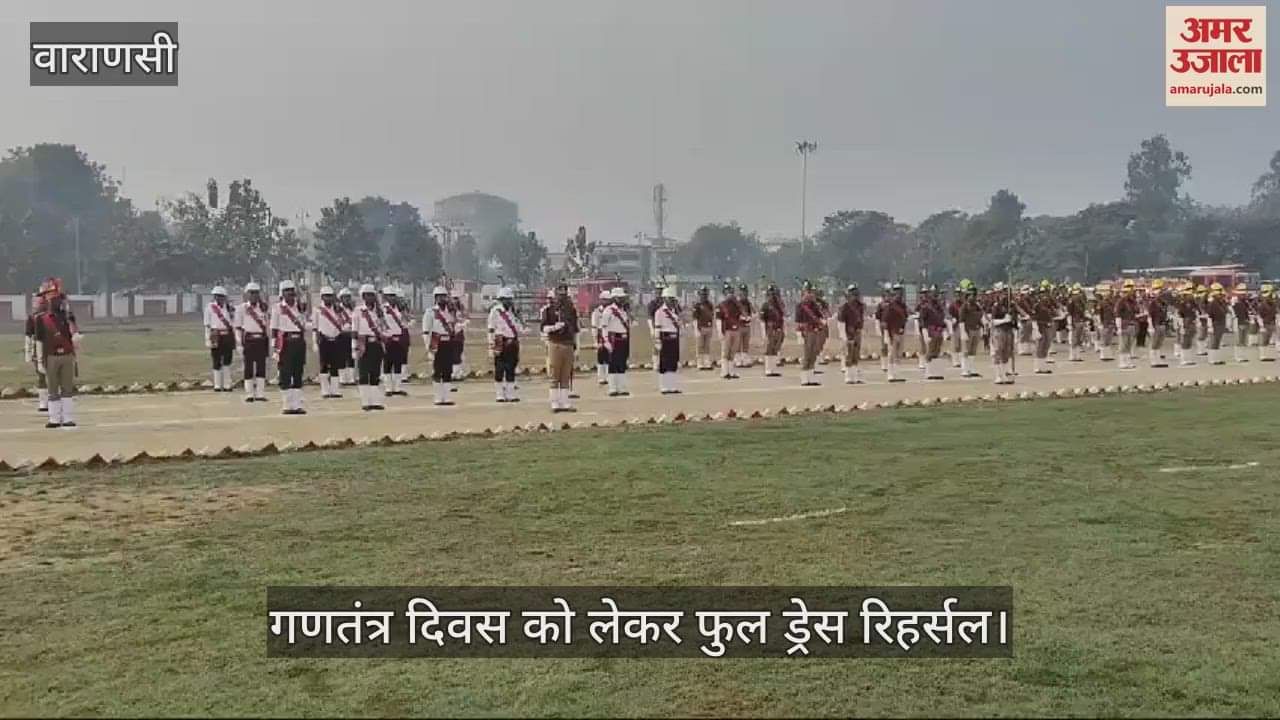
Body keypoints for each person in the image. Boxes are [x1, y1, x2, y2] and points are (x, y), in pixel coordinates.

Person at [32, 278, 82, 428]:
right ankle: (54, 418)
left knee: (67, 388)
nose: (53, 299)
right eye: (50, 296)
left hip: (67, 355)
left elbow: (75, 336)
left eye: (55, 296)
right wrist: (40, 361)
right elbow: (39, 341)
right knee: (52, 388)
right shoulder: (41, 319)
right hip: (51, 356)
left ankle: (67, 417)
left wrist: (76, 351)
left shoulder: (67, 317)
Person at [269, 280, 309, 415]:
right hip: (285, 342)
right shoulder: (277, 308)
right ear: (282, 293)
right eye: (287, 291)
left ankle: (297, 405)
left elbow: (306, 314)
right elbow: (274, 328)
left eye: (292, 290)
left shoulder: (300, 307)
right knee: (285, 372)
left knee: (298, 372)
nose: (290, 293)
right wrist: (274, 346)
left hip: (299, 341)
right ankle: (287, 404)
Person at [540, 282, 580, 412]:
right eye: (560, 292)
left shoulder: (571, 310)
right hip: (555, 343)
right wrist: (554, 327)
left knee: (566, 375)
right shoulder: (548, 310)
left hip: (568, 344)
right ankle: (555, 402)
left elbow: (575, 330)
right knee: (554, 374)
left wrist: (577, 347)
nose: (562, 295)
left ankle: (565, 402)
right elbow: (543, 328)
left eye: (564, 292)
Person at [352, 284, 388, 411]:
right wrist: (354, 347)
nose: (370, 297)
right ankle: (365, 402)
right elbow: (354, 331)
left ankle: (375, 401)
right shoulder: (358, 311)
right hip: (363, 343)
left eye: (372, 295)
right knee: (363, 374)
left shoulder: (380, 312)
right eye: (367, 295)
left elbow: (384, 328)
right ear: (363, 297)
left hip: (376, 344)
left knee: (375, 373)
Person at [487, 287, 524, 403]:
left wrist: (519, 318)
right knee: (499, 369)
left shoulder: (513, 312)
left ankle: (510, 394)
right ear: (501, 300)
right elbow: (491, 329)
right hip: (500, 341)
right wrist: (491, 345)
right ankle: (499, 394)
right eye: (506, 299)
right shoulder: (495, 311)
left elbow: (519, 327)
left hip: (512, 342)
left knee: (511, 368)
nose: (509, 301)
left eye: (510, 299)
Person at [422, 286, 458, 406]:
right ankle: (438, 397)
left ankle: (447, 397)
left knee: (448, 371)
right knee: (437, 370)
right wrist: (428, 348)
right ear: (435, 298)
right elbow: (426, 330)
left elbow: (454, 327)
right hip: (436, 343)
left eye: (444, 296)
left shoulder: (451, 312)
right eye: (439, 297)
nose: (442, 299)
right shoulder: (430, 312)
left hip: (448, 343)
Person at [235, 282, 270, 402]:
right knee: (248, 367)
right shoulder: (241, 308)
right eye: (251, 293)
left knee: (261, 367)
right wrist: (239, 343)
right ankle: (249, 394)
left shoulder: (264, 308)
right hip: (249, 340)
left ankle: (260, 393)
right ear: (247, 294)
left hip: (261, 339)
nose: (254, 295)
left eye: (256, 293)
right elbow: (238, 327)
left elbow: (267, 325)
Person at [312, 287, 345, 398]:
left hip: (336, 339)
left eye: (330, 296)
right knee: (324, 365)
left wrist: (340, 311)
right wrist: (314, 342)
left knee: (335, 365)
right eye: (326, 296)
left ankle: (335, 390)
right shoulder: (317, 310)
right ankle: (325, 390)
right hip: (324, 339)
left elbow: (342, 323)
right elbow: (315, 327)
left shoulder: (338, 309)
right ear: (322, 297)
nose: (329, 298)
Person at [203, 286, 237, 392]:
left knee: (227, 360)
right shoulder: (209, 307)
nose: (219, 298)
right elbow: (207, 324)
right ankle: (217, 384)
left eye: (221, 296)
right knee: (216, 360)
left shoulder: (229, 308)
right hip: (215, 334)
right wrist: (208, 339)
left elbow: (234, 322)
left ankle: (227, 384)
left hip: (227, 335)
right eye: (217, 296)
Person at [380, 286, 411, 396]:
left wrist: (405, 312)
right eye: (389, 296)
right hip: (388, 338)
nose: (392, 298)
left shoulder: (399, 308)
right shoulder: (381, 309)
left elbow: (407, 320)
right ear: (385, 297)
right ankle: (388, 388)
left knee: (398, 363)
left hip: (399, 338)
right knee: (387, 364)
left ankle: (397, 388)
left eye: (393, 296)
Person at [602, 287, 632, 396]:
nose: (622, 300)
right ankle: (612, 388)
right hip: (614, 338)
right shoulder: (608, 310)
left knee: (622, 363)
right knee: (613, 364)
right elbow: (604, 327)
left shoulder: (624, 311)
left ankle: (621, 387)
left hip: (623, 338)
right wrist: (606, 341)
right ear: (615, 298)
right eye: (620, 298)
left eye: (622, 298)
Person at [653, 286, 683, 394]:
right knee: (664, 363)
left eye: (673, 299)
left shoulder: (675, 311)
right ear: (665, 299)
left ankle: (672, 386)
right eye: (670, 298)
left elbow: (679, 324)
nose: (672, 301)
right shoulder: (659, 312)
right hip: (664, 338)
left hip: (674, 338)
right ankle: (664, 386)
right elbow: (657, 327)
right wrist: (657, 341)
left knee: (673, 362)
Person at [878, 284, 909, 382]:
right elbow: (884, 321)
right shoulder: (890, 306)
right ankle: (891, 374)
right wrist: (887, 334)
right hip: (892, 331)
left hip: (900, 331)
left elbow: (905, 318)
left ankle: (897, 373)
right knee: (892, 352)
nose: (899, 294)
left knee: (899, 353)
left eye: (900, 292)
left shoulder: (902, 306)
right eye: (896, 292)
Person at [24, 293, 49, 412]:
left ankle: (52, 399)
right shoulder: (32, 318)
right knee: (41, 376)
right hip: (38, 350)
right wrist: (28, 353)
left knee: (52, 376)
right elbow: (28, 336)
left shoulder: (51, 316)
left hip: (51, 348)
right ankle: (43, 401)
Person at [836, 284, 865, 384]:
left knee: (856, 354)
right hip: (848, 332)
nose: (855, 296)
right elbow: (841, 322)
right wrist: (844, 336)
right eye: (853, 293)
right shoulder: (845, 307)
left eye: (856, 293)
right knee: (849, 354)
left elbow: (861, 319)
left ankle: (855, 376)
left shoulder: (860, 306)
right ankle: (848, 376)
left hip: (857, 332)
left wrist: (860, 329)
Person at [988, 282, 1016, 385]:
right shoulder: (996, 306)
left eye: (1006, 292)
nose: (1005, 295)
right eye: (1003, 292)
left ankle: (1005, 374)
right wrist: (1004, 320)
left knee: (1006, 353)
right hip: (999, 330)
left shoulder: (1010, 305)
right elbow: (993, 321)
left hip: (1008, 330)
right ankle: (998, 375)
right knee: (998, 352)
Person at [715, 283, 743, 379]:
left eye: (730, 291)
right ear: (724, 293)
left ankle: (731, 371)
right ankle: (724, 371)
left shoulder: (737, 305)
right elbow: (718, 319)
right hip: (726, 330)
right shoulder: (721, 305)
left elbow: (741, 316)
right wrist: (719, 332)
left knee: (733, 351)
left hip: (736, 330)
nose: (729, 294)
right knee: (725, 351)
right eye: (727, 292)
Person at [919, 285, 947, 380]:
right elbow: (922, 320)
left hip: (939, 330)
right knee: (930, 350)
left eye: (936, 293)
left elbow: (942, 318)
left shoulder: (939, 307)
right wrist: (924, 331)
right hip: (930, 329)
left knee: (937, 350)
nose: (935, 295)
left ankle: (936, 371)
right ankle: (928, 372)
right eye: (933, 293)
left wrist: (944, 328)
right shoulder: (926, 306)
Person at [957, 281, 985, 377]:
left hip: (976, 329)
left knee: (973, 350)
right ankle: (965, 370)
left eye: (974, 295)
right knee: (966, 350)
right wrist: (963, 332)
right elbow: (961, 320)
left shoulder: (977, 306)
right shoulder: (964, 306)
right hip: (967, 329)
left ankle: (971, 369)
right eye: (971, 295)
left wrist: (983, 327)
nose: (973, 297)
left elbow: (980, 317)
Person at [759, 283, 786, 377]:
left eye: (774, 293)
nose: (773, 295)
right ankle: (768, 369)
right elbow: (762, 320)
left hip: (779, 328)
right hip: (770, 328)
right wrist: (763, 333)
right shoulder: (765, 305)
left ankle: (773, 368)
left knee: (776, 348)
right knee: (769, 348)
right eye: (771, 293)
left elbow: (783, 318)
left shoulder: (780, 305)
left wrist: (783, 329)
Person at [1115, 279, 1140, 370]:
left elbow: (1136, 312)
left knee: (1129, 345)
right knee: (1123, 344)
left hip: (1132, 324)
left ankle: (1128, 361)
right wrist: (1119, 327)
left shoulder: (1133, 301)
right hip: (1124, 325)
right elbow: (1118, 314)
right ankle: (1122, 362)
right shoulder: (1121, 301)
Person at [1146, 279, 1170, 368]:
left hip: (1162, 324)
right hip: (1155, 325)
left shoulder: (1164, 302)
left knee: (1159, 343)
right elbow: (1149, 315)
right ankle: (1153, 361)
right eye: (1158, 289)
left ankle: (1158, 359)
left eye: (1161, 289)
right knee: (1154, 343)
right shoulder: (1152, 302)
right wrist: (1150, 326)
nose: (1160, 291)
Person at [691, 286, 716, 371]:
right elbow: (695, 318)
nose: (704, 295)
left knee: (707, 346)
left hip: (708, 327)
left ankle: (706, 362)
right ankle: (700, 362)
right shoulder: (697, 305)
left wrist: (712, 326)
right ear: (700, 294)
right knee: (700, 346)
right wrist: (696, 329)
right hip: (700, 327)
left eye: (705, 294)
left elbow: (711, 316)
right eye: (702, 294)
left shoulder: (710, 304)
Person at [336, 288, 357, 386]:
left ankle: (351, 378)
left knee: (351, 356)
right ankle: (342, 378)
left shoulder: (353, 309)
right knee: (341, 356)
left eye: (348, 297)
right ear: (341, 298)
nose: (347, 299)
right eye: (345, 297)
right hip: (341, 333)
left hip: (351, 333)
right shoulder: (337, 309)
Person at [1176, 286, 1199, 367]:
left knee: (1189, 341)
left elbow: (1196, 311)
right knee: (1185, 341)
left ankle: (1188, 358)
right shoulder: (1182, 303)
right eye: (1189, 294)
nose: (1191, 295)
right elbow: (1179, 315)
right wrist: (1181, 326)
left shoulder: (1193, 303)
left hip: (1192, 322)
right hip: (1185, 323)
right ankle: (1183, 359)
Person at [1206, 283, 1229, 365]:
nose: (1221, 296)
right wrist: (1210, 326)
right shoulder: (1212, 303)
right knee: (1214, 341)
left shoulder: (1221, 303)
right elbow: (1209, 316)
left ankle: (1217, 358)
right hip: (1215, 324)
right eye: (1219, 295)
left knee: (1218, 341)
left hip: (1221, 323)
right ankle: (1212, 359)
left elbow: (1226, 312)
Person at [1065, 283, 1088, 363]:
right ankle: (1072, 355)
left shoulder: (1081, 301)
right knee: (1074, 339)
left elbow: (1083, 311)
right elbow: (1069, 312)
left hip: (1080, 320)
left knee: (1079, 339)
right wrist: (1069, 323)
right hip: (1075, 321)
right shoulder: (1071, 301)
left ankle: (1077, 355)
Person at [591, 290, 610, 384]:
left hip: (610, 335)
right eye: (604, 299)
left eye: (607, 300)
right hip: (600, 335)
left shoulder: (611, 310)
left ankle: (608, 376)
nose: (606, 301)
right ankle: (601, 377)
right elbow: (594, 326)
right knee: (601, 357)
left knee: (609, 356)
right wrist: (595, 339)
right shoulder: (597, 312)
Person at [1231, 283, 1253, 363]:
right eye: (1242, 294)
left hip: (1245, 322)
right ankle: (1238, 356)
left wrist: (1248, 318)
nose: (1243, 295)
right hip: (1238, 323)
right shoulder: (1234, 301)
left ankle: (1243, 356)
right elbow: (1234, 313)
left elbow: (1248, 311)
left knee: (1244, 340)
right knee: (1239, 340)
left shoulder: (1245, 302)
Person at [450, 288, 468, 384]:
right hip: (450, 334)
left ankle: (457, 373)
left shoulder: (461, 308)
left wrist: (463, 324)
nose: (455, 300)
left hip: (459, 335)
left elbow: (466, 318)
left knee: (458, 354)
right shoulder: (448, 309)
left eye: (456, 298)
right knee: (452, 355)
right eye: (453, 298)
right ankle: (453, 373)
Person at [1094, 284, 1116, 361]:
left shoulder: (1111, 303)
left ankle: (1108, 355)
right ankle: (1103, 355)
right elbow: (1098, 314)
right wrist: (1100, 323)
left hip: (1111, 322)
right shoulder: (1101, 303)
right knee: (1104, 339)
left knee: (1109, 340)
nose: (1108, 295)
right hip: (1104, 323)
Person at [1256, 283, 1277, 362]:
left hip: (1271, 323)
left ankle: (1268, 355)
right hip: (1265, 324)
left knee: (1268, 341)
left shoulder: (1273, 304)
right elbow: (1259, 316)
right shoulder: (1262, 305)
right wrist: (1261, 326)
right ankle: (1262, 355)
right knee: (1263, 340)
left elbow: (1275, 314)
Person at [737, 283, 755, 368]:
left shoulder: (748, 303)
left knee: (745, 344)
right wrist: (741, 317)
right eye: (742, 291)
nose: (743, 293)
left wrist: (750, 317)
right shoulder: (737, 303)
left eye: (745, 291)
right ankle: (737, 359)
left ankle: (744, 359)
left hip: (747, 325)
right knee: (738, 344)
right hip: (739, 325)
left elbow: (754, 312)